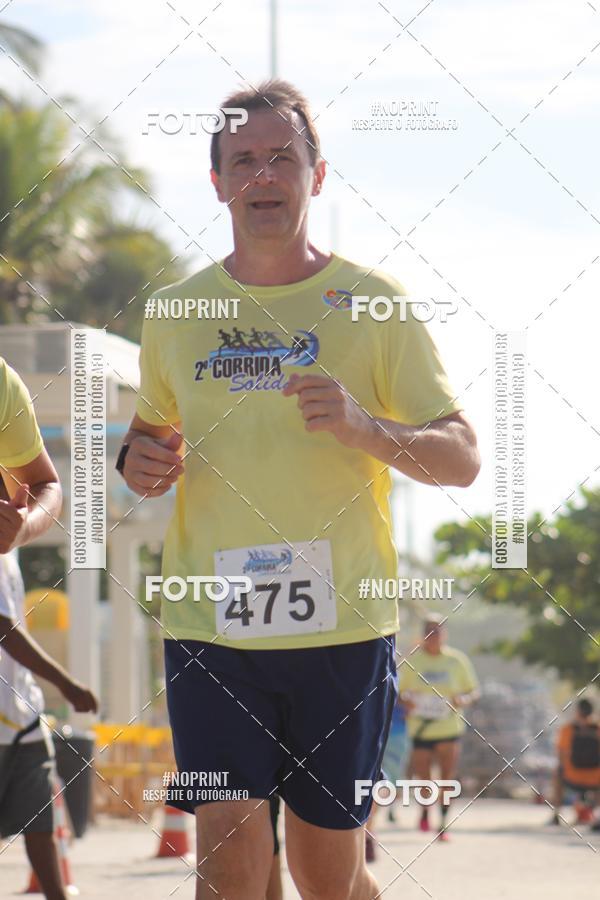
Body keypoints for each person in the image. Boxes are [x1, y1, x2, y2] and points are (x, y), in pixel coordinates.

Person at [118, 79, 480, 899]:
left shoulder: (375, 306)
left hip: (343, 629)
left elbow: (460, 458)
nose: (263, 175)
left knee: (327, 875)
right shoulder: (175, 313)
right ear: (216, 183)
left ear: (318, 175)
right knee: (229, 852)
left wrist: (366, 429)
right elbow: (152, 436)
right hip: (212, 626)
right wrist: (137, 462)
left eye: (284, 156)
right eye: (243, 160)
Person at [0, 357, 98, 900]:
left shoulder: (6, 547)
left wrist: (26, 525)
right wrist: (70, 684)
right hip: (19, 710)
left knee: (41, 818)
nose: (15, 494)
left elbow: (47, 485)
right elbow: (4, 629)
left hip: (17, 713)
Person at [400, 613, 479, 841]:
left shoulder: (457, 661)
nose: (433, 635)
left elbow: (473, 691)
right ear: (423, 635)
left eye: (438, 630)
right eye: (429, 631)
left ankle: (443, 823)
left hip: (449, 729)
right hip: (420, 729)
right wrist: (406, 700)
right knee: (424, 778)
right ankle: (425, 811)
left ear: (445, 634)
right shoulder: (413, 662)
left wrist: (462, 700)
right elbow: (397, 691)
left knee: (446, 778)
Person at [548, 698, 600, 826]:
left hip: (571, 776)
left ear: (577, 712)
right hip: (595, 779)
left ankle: (556, 815)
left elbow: (560, 755)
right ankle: (598, 815)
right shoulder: (598, 730)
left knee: (557, 772)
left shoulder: (568, 730)